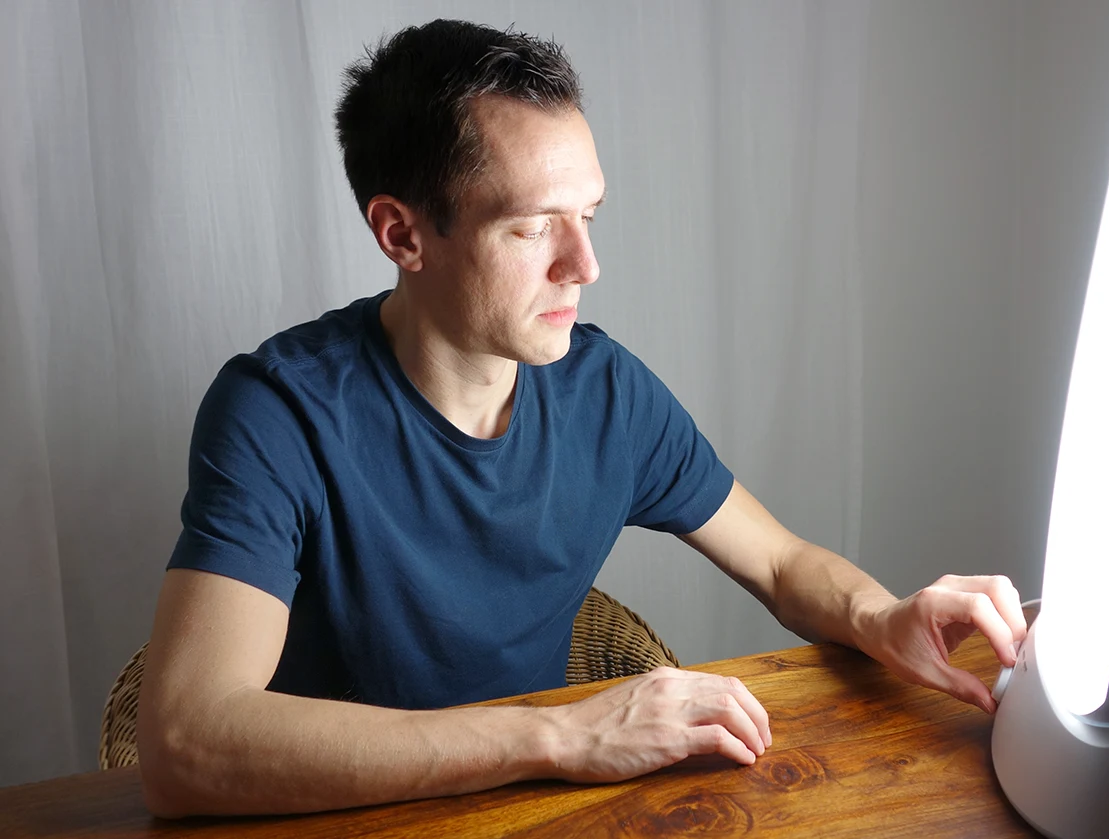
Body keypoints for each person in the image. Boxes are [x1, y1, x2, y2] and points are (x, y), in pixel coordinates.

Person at [136, 20, 1027, 819]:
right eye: (533, 229)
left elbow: (786, 563)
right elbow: (186, 744)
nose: (585, 264)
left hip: (528, 811)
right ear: (403, 235)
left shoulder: (606, 391)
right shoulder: (278, 411)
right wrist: (559, 736)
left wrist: (881, 615)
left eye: (589, 216)